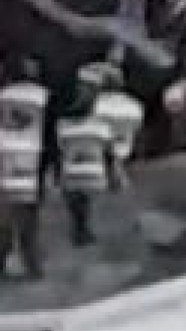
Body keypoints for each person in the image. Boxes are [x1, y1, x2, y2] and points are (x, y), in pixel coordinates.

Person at [51, 79, 112, 248]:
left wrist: (56, 177)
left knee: (75, 199)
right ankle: (82, 229)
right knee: (84, 201)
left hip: (70, 172)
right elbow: (109, 153)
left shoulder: (61, 126)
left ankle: (79, 228)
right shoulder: (101, 127)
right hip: (95, 173)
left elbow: (58, 152)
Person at [0, 63, 47, 279]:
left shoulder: (2, 96)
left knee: (4, 215)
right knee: (28, 216)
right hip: (31, 156)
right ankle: (33, 265)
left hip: (3, 153)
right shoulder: (43, 96)